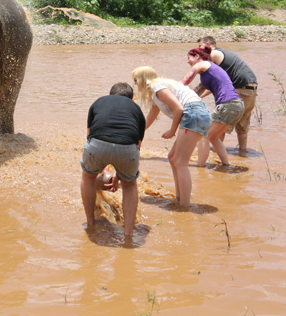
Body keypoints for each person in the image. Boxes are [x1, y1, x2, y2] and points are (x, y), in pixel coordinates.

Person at [132, 66, 212, 207]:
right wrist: (139, 132)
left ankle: (184, 206)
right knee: (172, 158)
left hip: (193, 114)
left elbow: (179, 108)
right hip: (198, 114)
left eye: (136, 80)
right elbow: (152, 114)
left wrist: (172, 130)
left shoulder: (156, 86)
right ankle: (179, 198)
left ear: (143, 79)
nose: (135, 84)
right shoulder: (156, 92)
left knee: (180, 162)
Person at [81, 82, 145, 237]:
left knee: (88, 177)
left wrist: (102, 166)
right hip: (127, 148)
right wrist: (120, 176)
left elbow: (90, 136)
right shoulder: (136, 110)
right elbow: (137, 146)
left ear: (110, 94)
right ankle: (128, 233)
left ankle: (90, 223)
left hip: (97, 145)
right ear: (131, 99)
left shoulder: (99, 102)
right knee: (129, 185)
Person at [182, 46, 244, 167]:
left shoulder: (203, 64)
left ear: (197, 57)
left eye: (189, 58)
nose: (188, 61)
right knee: (213, 137)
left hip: (228, 104)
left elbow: (184, 82)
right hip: (237, 105)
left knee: (203, 135)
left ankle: (200, 167)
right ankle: (226, 165)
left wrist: (169, 87)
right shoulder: (209, 72)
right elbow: (195, 93)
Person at [197, 36, 257, 152]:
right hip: (250, 89)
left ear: (208, 44)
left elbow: (204, 82)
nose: (199, 50)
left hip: (239, 89)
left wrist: (191, 95)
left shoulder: (214, 53)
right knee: (242, 126)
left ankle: (216, 153)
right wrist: (199, 96)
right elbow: (215, 85)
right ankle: (242, 152)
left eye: (200, 46)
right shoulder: (225, 54)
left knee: (221, 122)